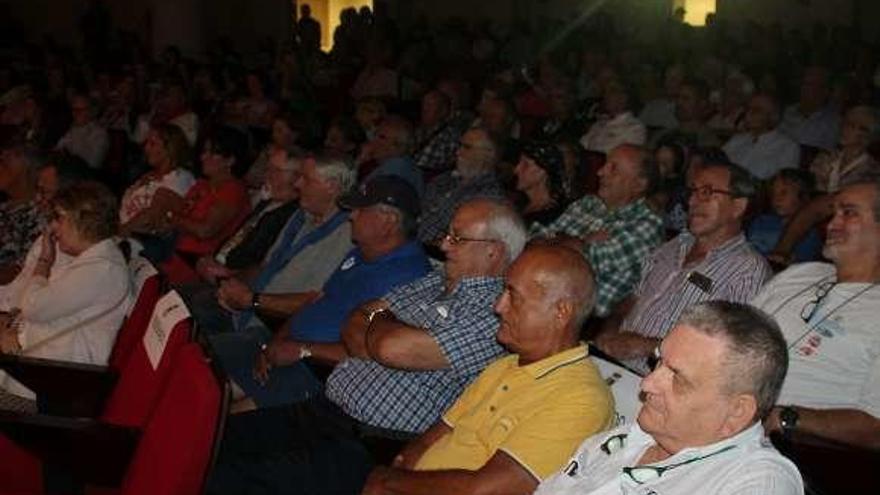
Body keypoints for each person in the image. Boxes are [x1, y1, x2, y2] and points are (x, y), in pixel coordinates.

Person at [360, 245, 615, 495]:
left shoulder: (582, 399)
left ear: (561, 311)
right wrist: (397, 476)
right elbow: (431, 438)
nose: (498, 306)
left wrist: (390, 482)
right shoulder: (506, 365)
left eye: (513, 296)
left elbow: (487, 489)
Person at [535, 301, 803, 495]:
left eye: (678, 377)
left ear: (736, 412)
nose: (648, 382)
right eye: (658, 361)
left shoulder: (758, 482)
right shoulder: (628, 437)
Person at [211, 175, 430, 411]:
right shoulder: (361, 252)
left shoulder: (410, 278)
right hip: (287, 349)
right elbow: (317, 302)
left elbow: (374, 353)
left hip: (320, 374)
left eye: (359, 211)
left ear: (388, 221)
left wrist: (302, 350)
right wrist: (278, 341)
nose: (351, 216)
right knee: (200, 364)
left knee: (218, 413)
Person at [595, 161, 771, 372]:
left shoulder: (747, 270)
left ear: (738, 206)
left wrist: (651, 347)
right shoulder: (674, 245)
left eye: (707, 192)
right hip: (609, 362)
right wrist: (610, 330)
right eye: (693, 191)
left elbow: (733, 351)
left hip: (664, 381)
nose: (692, 200)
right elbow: (631, 299)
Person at [755, 180, 880, 449]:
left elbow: (875, 428)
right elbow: (732, 336)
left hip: (786, 447)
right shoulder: (798, 275)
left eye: (848, 213)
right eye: (832, 213)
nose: (832, 224)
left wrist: (784, 416)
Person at [187, 155, 354, 335]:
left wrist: (251, 300)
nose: (297, 184)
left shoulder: (346, 236)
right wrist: (233, 280)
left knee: (195, 309)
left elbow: (315, 301)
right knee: (186, 301)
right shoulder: (301, 216)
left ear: (331, 186)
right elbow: (267, 266)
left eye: (306, 179)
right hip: (253, 305)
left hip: (279, 326)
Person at [0, 182, 132, 410]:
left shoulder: (100, 269)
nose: (53, 227)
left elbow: (33, 306)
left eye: (59, 218)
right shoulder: (92, 260)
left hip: (50, 384)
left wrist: (44, 261)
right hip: (39, 370)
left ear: (83, 221)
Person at [531, 144, 664, 317]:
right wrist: (584, 242)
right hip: (541, 296)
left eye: (613, 169)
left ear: (639, 185)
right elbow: (533, 239)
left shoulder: (647, 225)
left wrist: (562, 241)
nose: (600, 172)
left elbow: (581, 260)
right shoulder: (587, 203)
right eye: (605, 164)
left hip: (582, 322)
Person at [418, 127, 505, 244]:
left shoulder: (489, 195)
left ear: (489, 154)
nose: (458, 152)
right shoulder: (443, 179)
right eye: (459, 146)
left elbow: (464, 240)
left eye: (467, 147)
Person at [119, 123, 195, 235]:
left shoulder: (181, 177)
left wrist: (119, 233)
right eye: (146, 143)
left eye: (153, 144)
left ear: (169, 149)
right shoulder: (148, 175)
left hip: (142, 241)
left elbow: (152, 216)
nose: (146, 148)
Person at [748, 169, 822, 262]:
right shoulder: (760, 221)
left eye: (783, 193)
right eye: (773, 194)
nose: (777, 199)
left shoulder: (807, 232)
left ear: (803, 196)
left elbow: (803, 263)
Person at [722, 93, 800, 180]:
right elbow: (716, 162)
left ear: (773, 116)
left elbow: (785, 183)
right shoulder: (737, 140)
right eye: (748, 109)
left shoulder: (787, 147)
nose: (749, 113)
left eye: (757, 110)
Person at [0, 137, 45, 284]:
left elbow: (23, 271)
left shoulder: (38, 215)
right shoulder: (5, 206)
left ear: (26, 168)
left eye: (4, 164)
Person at [357, 115, 424, 196]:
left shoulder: (398, 167)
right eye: (375, 135)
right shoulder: (399, 164)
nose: (373, 141)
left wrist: (358, 162)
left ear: (398, 145)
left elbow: (364, 196)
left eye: (381, 137)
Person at [779, 66, 840, 152]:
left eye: (811, 85)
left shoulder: (832, 122)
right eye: (804, 84)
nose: (805, 89)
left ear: (825, 90)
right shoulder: (786, 112)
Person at [580, 80, 646, 153]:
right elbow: (583, 145)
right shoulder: (600, 123)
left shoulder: (635, 128)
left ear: (624, 97)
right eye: (605, 92)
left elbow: (627, 157)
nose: (605, 96)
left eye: (611, 92)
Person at [513, 141, 567, 227]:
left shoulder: (550, 215)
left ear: (542, 172)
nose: (516, 170)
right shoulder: (517, 202)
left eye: (525, 165)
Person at [54, 94, 109, 169]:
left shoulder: (99, 134)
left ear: (90, 111)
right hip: (68, 173)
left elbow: (93, 163)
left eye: (81, 110)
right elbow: (57, 151)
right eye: (74, 110)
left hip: (87, 176)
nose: (76, 114)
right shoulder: (72, 130)